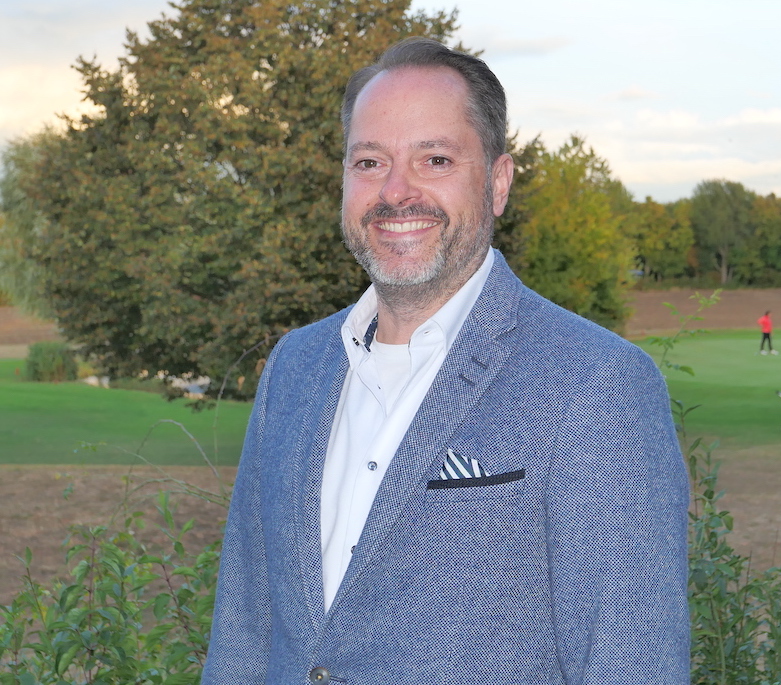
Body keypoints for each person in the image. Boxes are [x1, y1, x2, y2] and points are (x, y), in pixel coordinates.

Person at [201, 38, 690, 685]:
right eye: (370, 161)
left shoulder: (598, 385)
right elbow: (243, 633)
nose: (395, 191)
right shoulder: (294, 368)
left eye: (434, 159)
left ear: (497, 182)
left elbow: (631, 662)